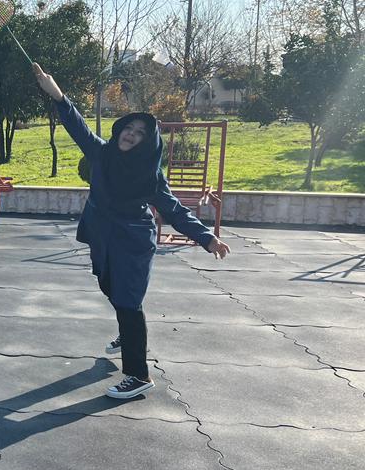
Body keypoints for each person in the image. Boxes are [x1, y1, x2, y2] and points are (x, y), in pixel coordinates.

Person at [33, 62, 231, 399]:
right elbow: (77, 126)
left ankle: (138, 375)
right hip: (102, 236)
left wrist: (206, 237)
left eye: (140, 133)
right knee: (109, 287)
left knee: (128, 302)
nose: (131, 134)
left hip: (133, 241)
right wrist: (58, 95)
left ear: (146, 142)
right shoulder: (102, 153)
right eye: (129, 128)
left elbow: (174, 209)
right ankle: (128, 333)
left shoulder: (149, 176)